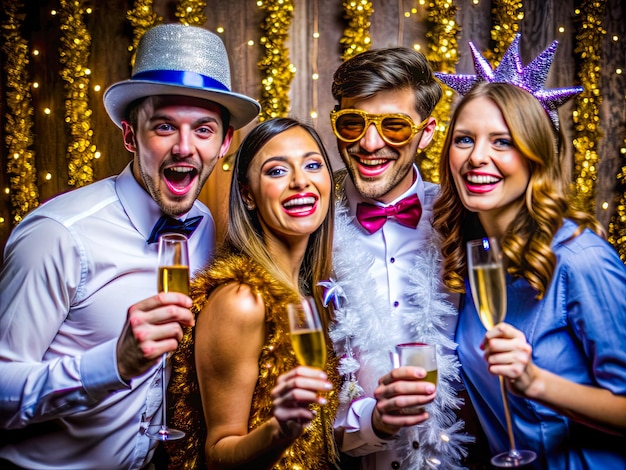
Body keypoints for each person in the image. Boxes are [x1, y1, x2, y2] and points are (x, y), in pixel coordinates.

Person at [0, 23, 260, 469]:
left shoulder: (202, 225)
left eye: (203, 130)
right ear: (129, 136)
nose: (184, 148)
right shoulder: (58, 235)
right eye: (164, 127)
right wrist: (112, 364)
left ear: (224, 143)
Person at [433, 35, 626, 469]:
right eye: (464, 140)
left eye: (502, 142)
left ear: (536, 156)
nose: (476, 157)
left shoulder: (581, 258)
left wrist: (536, 381)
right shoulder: (475, 257)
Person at [327, 47, 473, 469]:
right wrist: (372, 422)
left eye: (394, 126)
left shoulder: (464, 219)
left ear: (426, 133)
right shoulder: (309, 225)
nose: (370, 144)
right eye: (353, 124)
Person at [167, 117, 341, 470]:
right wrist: (280, 430)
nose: (300, 182)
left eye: (312, 165)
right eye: (277, 171)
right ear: (248, 195)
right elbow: (218, 455)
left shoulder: (313, 294)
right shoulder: (241, 300)